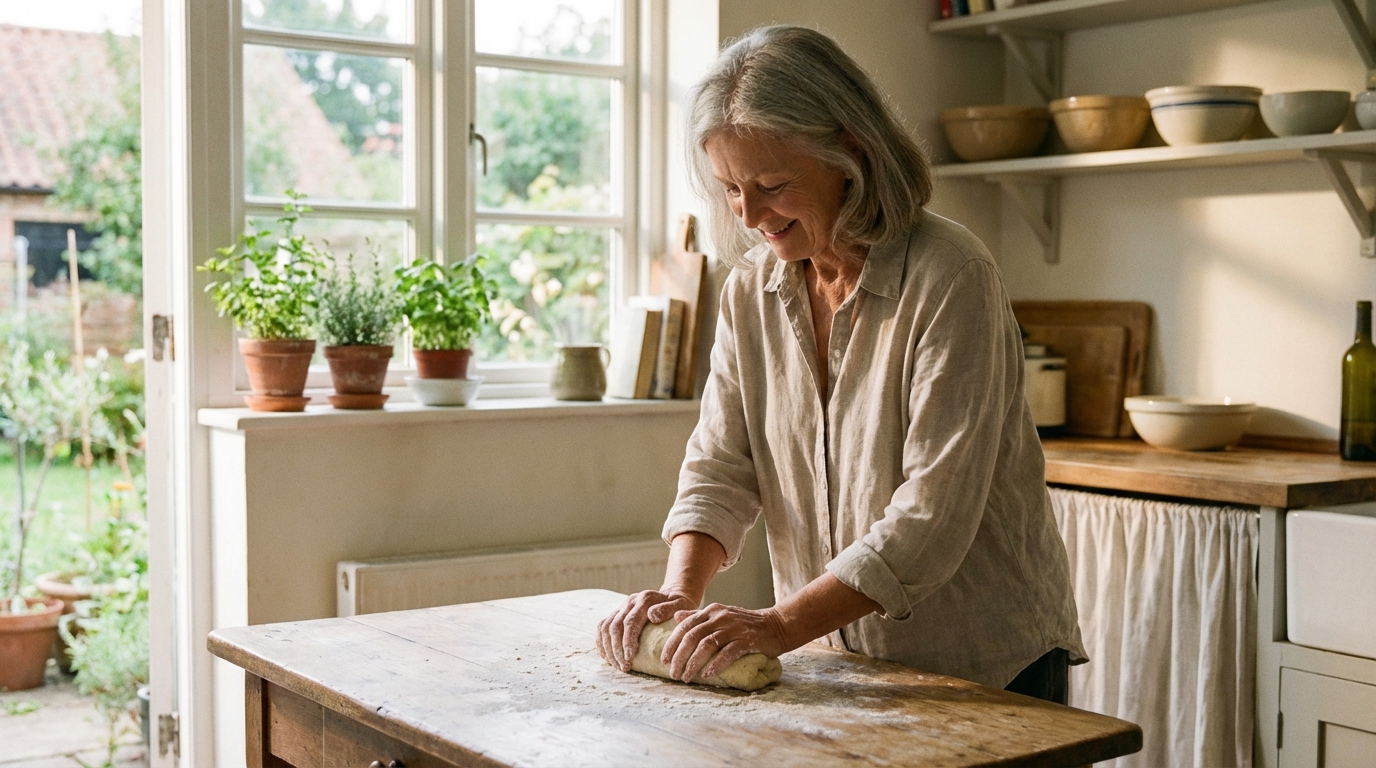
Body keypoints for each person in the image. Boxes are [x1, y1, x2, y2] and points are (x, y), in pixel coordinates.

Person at [595, 24, 1085, 702]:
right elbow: (722, 466)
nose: (750, 214)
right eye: (730, 188)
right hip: (839, 664)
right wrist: (677, 597)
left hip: (985, 661)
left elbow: (931, 516)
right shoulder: (751, 291)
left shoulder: (952, 274)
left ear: (850, 154)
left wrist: (776, 625)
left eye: (770, 183)